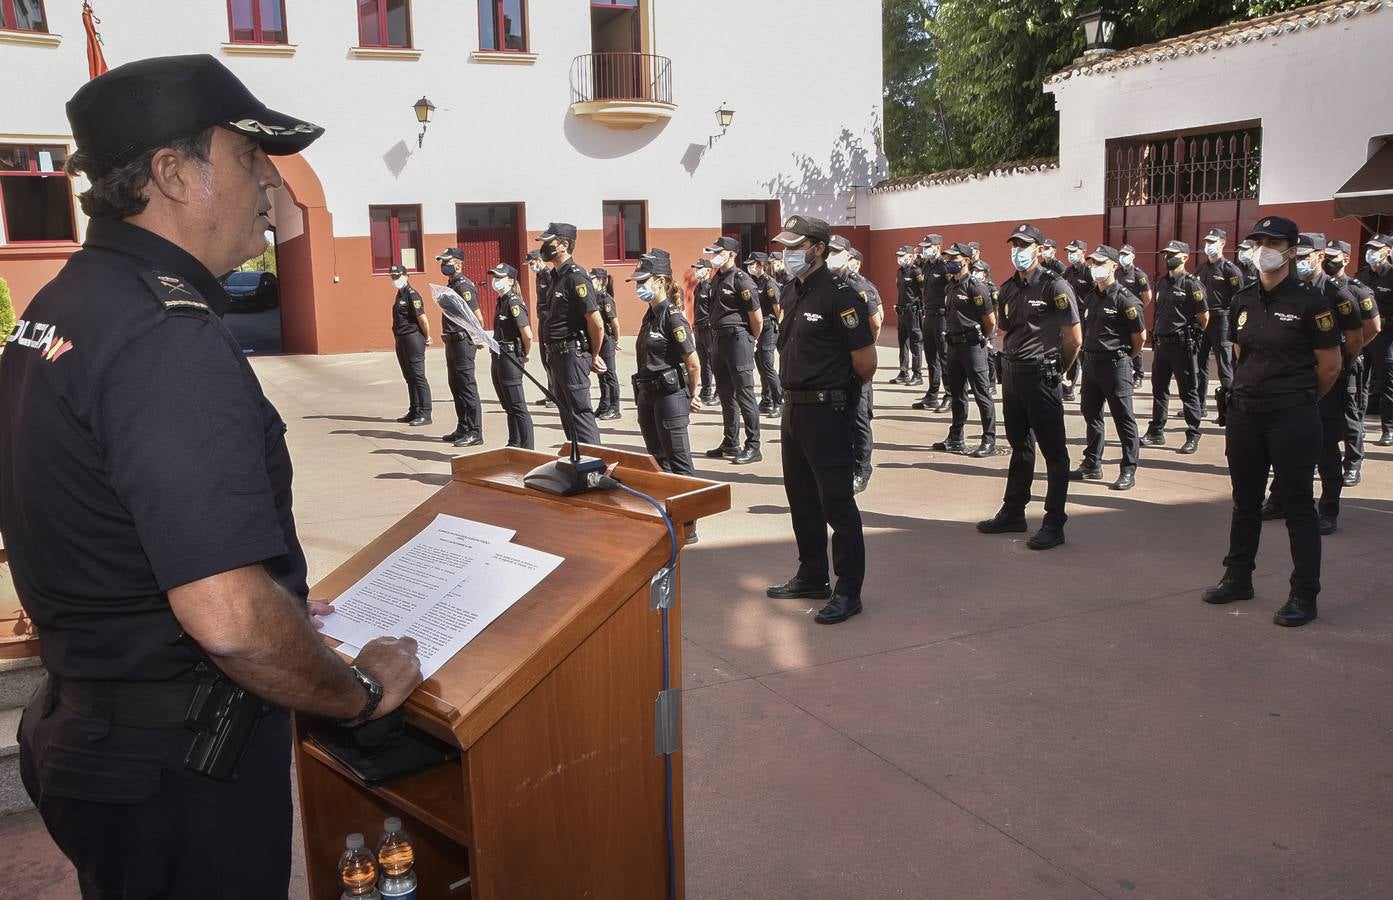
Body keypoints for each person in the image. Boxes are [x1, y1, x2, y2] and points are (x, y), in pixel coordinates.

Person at [0, 54, 423, 896]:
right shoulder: (166, 339)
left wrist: (270, 604)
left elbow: (96, 517)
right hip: (177, 764)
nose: (269, 184)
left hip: (96, 729)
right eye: (248, 157)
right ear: (172, 172)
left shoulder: (70, 301)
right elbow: (227, 622)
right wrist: (361, 690)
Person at [1202, 216, 1342, 627]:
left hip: (1292, 416)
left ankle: (1304, 593)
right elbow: (1243, 356)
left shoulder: (1311, 302)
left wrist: (1295, 400)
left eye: (1272, 242)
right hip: (1246, 413)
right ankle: (1238, 576)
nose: (1263, 248)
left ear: (1291, 250)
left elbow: (1330, 366)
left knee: (1298, 505)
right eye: (1257, 241)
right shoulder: (1242, 300)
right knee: (1245, 500)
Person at [764, 215, 876, 624]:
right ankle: (812, 574)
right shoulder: (792, 291)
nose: (787, 253)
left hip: (827, 410)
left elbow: (866, 363)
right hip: (793, 409)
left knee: (837, 503)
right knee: (802, 498)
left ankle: (849, 590)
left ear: (818, 248)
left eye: (795, 246)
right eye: (785, 247)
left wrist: (837, 397)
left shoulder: (841, 295)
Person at [976, 223, 1081, 551]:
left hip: (1042, 375)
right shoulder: (1007, 289)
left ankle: (1054, 521)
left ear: (1038, 249)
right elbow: (1006, 331)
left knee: (1054, 452)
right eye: (1014, 245)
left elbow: (1074, 338)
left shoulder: (1055, 286)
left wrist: (1057, 370)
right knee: (1020, 445)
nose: (1017, 251)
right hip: (1013, 375)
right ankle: (1013, 511)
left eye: (1024, 245)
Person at [1259, 234, 1365, 534]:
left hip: (1325, 380)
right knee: (1282, 444)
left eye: (1306, 257)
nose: (1300, 263)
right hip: (1291, 379)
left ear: (1319, 257)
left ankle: (1328, 509)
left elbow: (1358, 336)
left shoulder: (1336, 294)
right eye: (1297, 257)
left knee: (1325, 447)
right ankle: (1278, 500)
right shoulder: (1287, 291)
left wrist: (1334, 368)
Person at [1073, 245, 1145, 491]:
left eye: (1100, 263)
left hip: (1115, 364)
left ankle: (1128, 469)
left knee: (1123, 418)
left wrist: (1124, 357)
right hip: (1091, 363)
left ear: (1114, 265)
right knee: (1090, 414)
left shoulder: (1126, 299)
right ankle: (1092, 463)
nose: (1095, 268)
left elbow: (1140, 338)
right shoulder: (1091, 297)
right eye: (1093, 263)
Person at [627, 251, 701, 484]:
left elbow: (693, 363)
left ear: (660, 281)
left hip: (670, 396)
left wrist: (692, 394)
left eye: (642, 281)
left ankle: (688, 519)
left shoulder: (673, 317)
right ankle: (666, 518)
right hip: (647, 394)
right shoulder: (650, 315)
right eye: (637, 281)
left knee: (679, 465)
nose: (638, 286)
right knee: (658, 463)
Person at [536, 222, 605, 446]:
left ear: (564, 245)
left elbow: (596, 322)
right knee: (567, 413)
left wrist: (593, 355)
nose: (545, 247)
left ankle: (594, 465)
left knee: (580, 414)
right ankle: (578, 461)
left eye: (549, 243)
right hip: (557, 355)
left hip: (572, 354)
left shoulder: (576, 277)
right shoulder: (556, 276)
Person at [1141, 240, 1207, 454]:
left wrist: (1194, 335)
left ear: (1185, 257)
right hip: (1162, 345)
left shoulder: (1191, 284)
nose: (1168, 257)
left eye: (1173, 254)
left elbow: (1204, 316)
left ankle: (1193, 433)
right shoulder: (1161, 283)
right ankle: (1156, 431)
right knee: (1159, 390)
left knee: (1188, 391)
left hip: (1181, 345)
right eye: (1166, 254)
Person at [931, 242, 997, 458]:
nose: (949, 262)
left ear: (966, 261)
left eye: (954, 258)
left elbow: (990, 321)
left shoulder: (976, 287)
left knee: (981, 393)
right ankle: (956, 437)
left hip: (972, 347)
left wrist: (981, 339)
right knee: (957, 394)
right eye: (948, 258)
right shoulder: (950, 286)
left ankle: (988, 439)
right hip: (953, 346)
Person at [703, 235, 762, 464]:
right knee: (726, 395)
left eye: (718, 252)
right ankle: (731, 441)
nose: (714, 256)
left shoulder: (742, 280)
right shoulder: (717, 279)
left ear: (731, 254)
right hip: (719, 339)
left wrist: (751, 341)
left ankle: (753, 445)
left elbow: (756, 318)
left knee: (745, 394)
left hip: (738, 339)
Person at [1332, 240, 1382, 485]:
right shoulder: (1316, 289)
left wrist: (1354, 349)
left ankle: (1352, 464)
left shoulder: (1357, 290)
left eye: (1335, 256)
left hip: (1349, 359)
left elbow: (1373, 327)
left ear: (1346, 259)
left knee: (1351, 413)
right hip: (1322, 359)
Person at [836, 243, 885, 492]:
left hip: (857, 360)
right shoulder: (828, 284)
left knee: (859, 418)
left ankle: (862, 469)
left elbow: (876, 321)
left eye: (836, 253)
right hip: (836, 363)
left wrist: (865, 348)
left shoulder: (859, 285)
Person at [1194, 228, 1244, 425]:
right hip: (1204, 320)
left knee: (1225, 366)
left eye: (1213, 241)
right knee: (1200, 365)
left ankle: (1227, 409)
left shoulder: (1230, 270)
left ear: (1223, 243)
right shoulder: (1201, 269)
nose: (1208, 246)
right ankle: (1199, 406)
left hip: (1222, 319)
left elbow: (1239, 299)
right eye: (1206, 241)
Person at [436, 247, 484, 447]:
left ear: (458, 263)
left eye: (447, 262)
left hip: (463, 341)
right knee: (455, 385)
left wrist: (477, 338)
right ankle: (463, 426)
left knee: (466, 386)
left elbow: (477, 316)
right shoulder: (452, 284)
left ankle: (475, 431)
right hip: (452, 340)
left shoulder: (464, 286)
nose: (443, 265)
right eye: (442, 262)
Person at [487, 262, 536, 449]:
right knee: (508, 405)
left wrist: (524, 354)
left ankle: (527, 447)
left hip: (510, 356)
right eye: (495, 277)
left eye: (499, 277)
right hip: (498, 354)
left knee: (518, 405)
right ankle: (513, 442)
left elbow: (528, 335)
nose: (495, 281)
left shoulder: (514, 302)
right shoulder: (502, 301)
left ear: (510, 280)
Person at [1356, 234, 1393, 447]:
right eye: (1370, 248)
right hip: (1363, 337)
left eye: (1377, 248)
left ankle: (1388, 429)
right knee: (1361, 383)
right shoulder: (1362, 275)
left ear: (1387, 251)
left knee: (1387, 384)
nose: (1371, 252)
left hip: (1386, 338)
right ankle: (1357, 427)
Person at [389, 263, 433, 426]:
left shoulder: (412, 294)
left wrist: (427, 336)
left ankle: (425, 412)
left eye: (397, 277)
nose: (395, 280)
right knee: (409, 376)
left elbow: (422, 318)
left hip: (413, 337)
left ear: (406, 276)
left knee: (418, 375)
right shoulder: (400, 294)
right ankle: (414, 409)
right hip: (401, 338)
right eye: (392, 277)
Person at [913, 234, 951, 413]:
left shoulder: (945, 267)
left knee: (944, 358)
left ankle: (950, 395)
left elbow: (952, 289)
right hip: (928, 315)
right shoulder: (926, 266)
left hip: (941, 317)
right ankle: (932, 394)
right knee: (931, 358)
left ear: (937, 247)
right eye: (923, 246)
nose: (924, 249)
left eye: (927, 246)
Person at [747, 251, 784, 416]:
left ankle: (779, 401)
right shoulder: (756, 282)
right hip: (759, 327)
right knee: (760, 364)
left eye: (753, 264)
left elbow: (778, 310)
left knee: (768, 365)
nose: (751, 267)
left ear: (761, 265)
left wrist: (782, 330)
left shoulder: (769, 284)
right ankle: (766, 399)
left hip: (769, 326)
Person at [1060, 240, 1093, 401]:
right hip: (1070, 316)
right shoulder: (1069, 272)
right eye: (1069, 251)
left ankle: (1087, 386)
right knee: (1071, 349)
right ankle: (1069, 387)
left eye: (1074, 251)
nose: (1070, 255)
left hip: (1085, 316)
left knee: (1084, 353)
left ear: (1083, 252)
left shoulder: (1089, 272)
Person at [1116, 244, 1152, 389]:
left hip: (1134, 314)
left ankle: (1138, 375)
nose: (1123, 257)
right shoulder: (1117, 273)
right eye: (1121, 254)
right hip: (1119, 314)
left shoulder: (1139, 275)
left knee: (1137, 342)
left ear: (1133, 256)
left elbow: (1147, 296)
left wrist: (1137, 309)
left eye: (1126, 254)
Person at [590, 267, 622, 421]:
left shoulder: (606, 299)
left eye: (593, 278)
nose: (590, 281)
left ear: (601, 281)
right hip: (598, 339)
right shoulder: (593, 297)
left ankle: (614, 408)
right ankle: (604, 404)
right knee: (601, 374)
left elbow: (615, 323)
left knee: (609, 374)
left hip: (607, 339)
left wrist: (616, 340)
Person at [892, 244, 925, 385]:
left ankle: (917, 374)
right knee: (902, 342)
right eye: (898, 256)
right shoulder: (900, 272)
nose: (899, 258)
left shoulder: (916, 272)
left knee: (915, 343)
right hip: (902, 311)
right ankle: (903, 372)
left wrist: (923, 310)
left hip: (913, 312)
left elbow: (924, 291)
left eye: (902, 255)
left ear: (911, 256)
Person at [527, 249, 555, 409]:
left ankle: (555, 395)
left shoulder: (549, 276)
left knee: (551, 360)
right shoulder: (539, 276)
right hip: (542, 320)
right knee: (545, 360)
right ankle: (550, 394)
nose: (531, 267)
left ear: (539, 260)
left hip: (548, 321)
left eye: (532, 263)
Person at [691, 258, 718, 405]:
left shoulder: (711, 287)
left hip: (708, 327)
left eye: (699, 268)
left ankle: (719, 392)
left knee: (713, 359)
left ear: (708, 270)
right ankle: (706, 390)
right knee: (703, 361)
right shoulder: (698, 286)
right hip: (699, 327)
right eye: (696, 268)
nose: (697, 271)